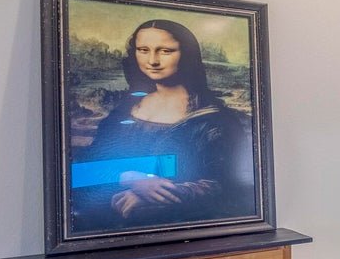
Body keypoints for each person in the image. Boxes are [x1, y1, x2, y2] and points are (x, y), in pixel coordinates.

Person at [70, 19, 255, 232]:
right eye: (143, 50)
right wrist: (131, 179)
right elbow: (87, 168)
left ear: (186, 54)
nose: (152, 60)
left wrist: (156, 198)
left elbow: (228, 185)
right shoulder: (126, 110)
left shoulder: (216, 120)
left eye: (165, 51)